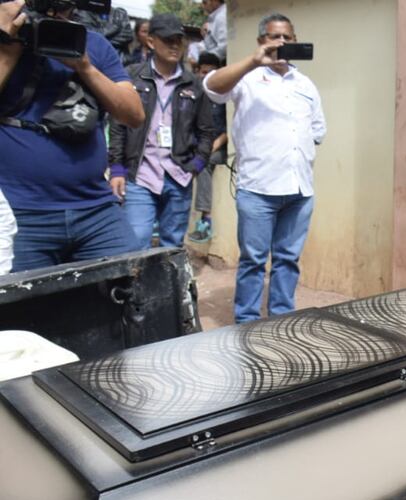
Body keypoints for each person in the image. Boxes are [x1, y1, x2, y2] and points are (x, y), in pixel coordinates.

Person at [0, 0, 144, 273]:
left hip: (96, 210)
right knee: (25, 312)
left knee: (134, 292)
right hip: (20, 214)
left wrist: (85, 67)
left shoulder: (93, 43)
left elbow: (134, 114)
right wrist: (8, 46)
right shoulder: (5, 38)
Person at [203, 13, 325, 323]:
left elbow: (317, 131)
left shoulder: (306, 84)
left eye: (288, 37)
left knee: (288, 260)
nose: (282, 42)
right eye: (275, 36)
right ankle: (247, 322)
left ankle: (281, 319)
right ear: (261, 41)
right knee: (254, 261)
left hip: (299, 190)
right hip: (258, 190)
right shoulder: (246, 78)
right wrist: (254, 61)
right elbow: (211, 87)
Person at [108, 14, 214, 249]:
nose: (175, 45)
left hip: (179, 176)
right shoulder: (132, 76)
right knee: (136, 242)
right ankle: (136, 287)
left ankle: (166, 287)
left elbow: (207, 131)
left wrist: (197, 164)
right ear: (151, 41)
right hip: (140, 175)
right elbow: (118, 124)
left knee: (172, 246)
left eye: (179, 39)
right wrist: (116, 167)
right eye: (168, 40)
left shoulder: (194, 84)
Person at [189, 51, 227, 243]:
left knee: (203, 163)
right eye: (204, 72)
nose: (207, 77)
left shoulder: (223, 97)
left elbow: (228, 132)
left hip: (217, 149)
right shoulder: (191, 94)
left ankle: (206, 220)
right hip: (196, 146)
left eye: (212, 72)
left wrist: (209, 148)